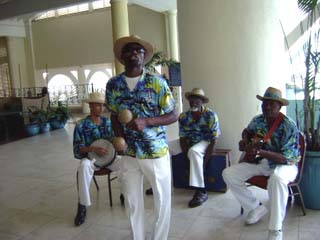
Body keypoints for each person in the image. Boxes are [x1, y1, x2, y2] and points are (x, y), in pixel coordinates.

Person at [105, 35, 178, 240]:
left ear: (144, 56)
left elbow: (173, 115)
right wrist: (119, 138)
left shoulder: (157, 82)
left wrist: (147, 122)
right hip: (128, 152)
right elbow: (113, 115)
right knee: (132, 201)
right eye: (129, 50)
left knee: (162, 200)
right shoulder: (113, 84)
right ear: (122, 56)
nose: (135, 53)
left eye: (139, 50)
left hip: (154, 151)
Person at [222, 87, 300, 240]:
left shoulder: (288, 125)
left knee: (276, 180)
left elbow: (286, 158)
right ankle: (255, 207)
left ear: (279, 107)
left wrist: (259, 152)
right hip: (263, 162)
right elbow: (247, 131)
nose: (268, 107)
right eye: (265, 103)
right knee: (228, 173)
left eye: (272, 104)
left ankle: (275, 230)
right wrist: (245, 143)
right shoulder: (258, 120)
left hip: (286, 165)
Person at [73, 92, 120, 226]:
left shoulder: (107, 122)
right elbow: (77, 148)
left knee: (126, 163)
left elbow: (112, 140)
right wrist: (93, 149)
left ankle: (125, 193)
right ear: (91, 106)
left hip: (109, 158)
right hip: (92, 160)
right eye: (98, 105)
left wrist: (118, 141)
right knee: (83, 167)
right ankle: (82, 206)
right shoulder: (81, 125)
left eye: (102, 106)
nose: (101, 108)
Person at [169, 88, 221, 207]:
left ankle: (201, 191)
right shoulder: (183, 117)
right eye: (192, 99)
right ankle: (162, 183)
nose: (194, 102)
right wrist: (187, 156)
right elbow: (182, 138)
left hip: (205, 141)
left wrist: (205, 160)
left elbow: (214, 140)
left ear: (202, 101)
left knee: (194, 151)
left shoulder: (211, 115)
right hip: (188, 141)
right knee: (165, 149)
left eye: (197, 99)